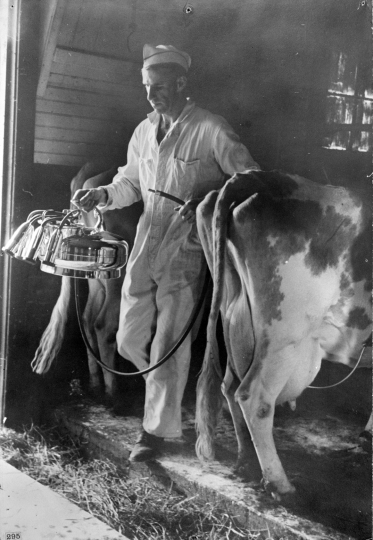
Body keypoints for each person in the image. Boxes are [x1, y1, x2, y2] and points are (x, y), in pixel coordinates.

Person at [73, 44, 260, 462]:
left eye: (157, 86)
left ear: (180, 82)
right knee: (127, 339)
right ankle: (166, 397)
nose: (150, 95)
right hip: (146, 239)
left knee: (169, 345)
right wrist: (101, 193)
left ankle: (157, 433)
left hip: (186, 244)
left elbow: (250, 177)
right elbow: (130, 183)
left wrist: (212, 197)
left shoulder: (210, 128)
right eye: (146, 87)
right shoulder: (144, 131)